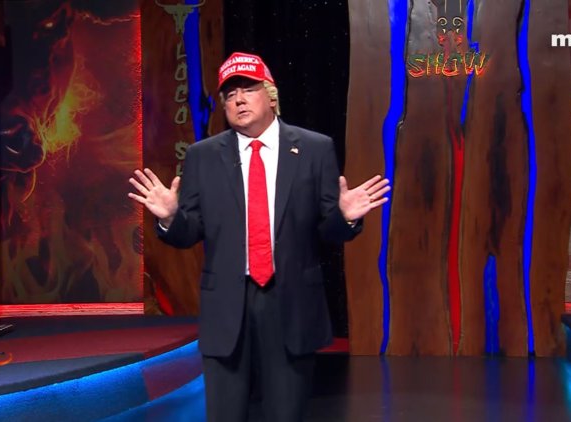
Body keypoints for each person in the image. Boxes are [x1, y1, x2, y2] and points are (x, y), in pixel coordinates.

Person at [128, 52, 390, 422]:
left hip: (291, 304)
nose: (238, 99)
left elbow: (327, 231)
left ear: (271, 95)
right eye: (229, 94)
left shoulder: (314, 148)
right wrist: (172, 217)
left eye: (248, 89)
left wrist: (344, 217)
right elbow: (189, 233)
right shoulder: (204, 156)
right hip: (226, 308)